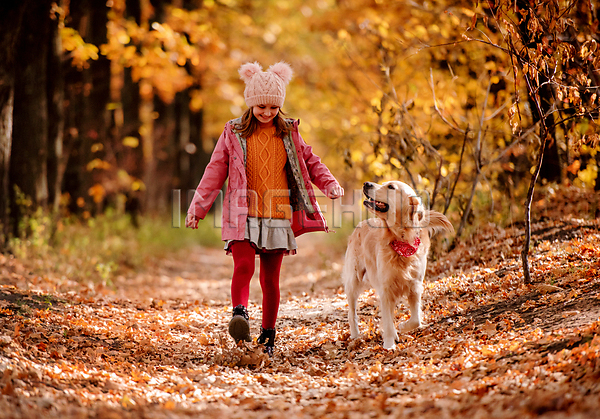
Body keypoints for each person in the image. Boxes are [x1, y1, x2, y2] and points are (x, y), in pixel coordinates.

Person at [186, 61, 343, 356]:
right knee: (243, 265)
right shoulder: (233, 132)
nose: (267, 113)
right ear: (250, 103)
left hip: (277, 212)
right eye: (261, 107)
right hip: (243, 212)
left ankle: (268, 336)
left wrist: (330, 184)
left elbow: (311, 161)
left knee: (270, 278)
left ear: (280, 106)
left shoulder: (288, 132)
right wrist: (198, 208)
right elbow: (215, 170)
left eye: (273, 108)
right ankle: (240, 314)